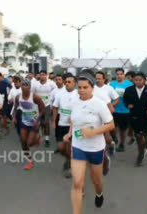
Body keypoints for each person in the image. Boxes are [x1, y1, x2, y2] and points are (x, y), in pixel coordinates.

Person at [64, 74, 114, 214]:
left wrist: (94, 131)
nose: (82, 90)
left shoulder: (99, 104)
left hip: (96, 148)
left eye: (85, 87)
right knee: (77, 182)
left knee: (96, 180)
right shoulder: (73, 102)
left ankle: (99, 194)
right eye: (79, 87)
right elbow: (73, 120)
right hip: (78, 147)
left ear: (92, 88)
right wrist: (69, 133)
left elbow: (110, 125)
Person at [123, 72, 147, 166]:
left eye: (140, 80)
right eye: (136, 80)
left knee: (145, 133)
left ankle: (146, 146)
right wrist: (128, 105)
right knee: (138, 136)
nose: (138, 82)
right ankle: (140, 154)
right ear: (133, 81)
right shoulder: (129, 90)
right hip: (134, 116)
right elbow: (125, 99)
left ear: (144, 80)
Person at [13, 80, 45, 170]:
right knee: (23, 142)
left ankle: (38, 138)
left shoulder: (35, 97)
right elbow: (15, 107)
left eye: (26, 85)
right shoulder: (18, 97)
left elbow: (43, 109)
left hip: (34, 122)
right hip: (24, 121)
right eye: (23, 85)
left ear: (30, 87)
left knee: (29, 143)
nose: (24, 86)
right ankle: (30, 161)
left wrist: (38, 119)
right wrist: (14, 117)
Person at [53, 74, 77, 178]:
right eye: (66, 82)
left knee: (70, 147)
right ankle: (67, 159)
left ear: (75, 84)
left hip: (73, 126)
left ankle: (71, 165)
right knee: (61, 147)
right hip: (61, 124)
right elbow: (55, 107)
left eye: (69, 82)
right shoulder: (60, 94)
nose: (67, 84)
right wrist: (54, 121)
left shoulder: (78, 94)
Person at [95, 71, 120, 156]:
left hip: (106, 115)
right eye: (96, 78)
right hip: (94, 115)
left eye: (99, 79)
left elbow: (117, 99)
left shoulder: (108, 88)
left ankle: (110, 144)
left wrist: (109, 107)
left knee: (105, 134)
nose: (97, 80)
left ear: (104, 79)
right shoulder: (92, 88)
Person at [110, 68, 133, 152]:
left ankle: (122, 144)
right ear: (116, 75)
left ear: (124, 75)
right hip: (114, 110)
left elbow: (132, 95)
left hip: (125, 111)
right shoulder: (112, 84)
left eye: (121, 74)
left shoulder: (129, 84)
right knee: (112, 128)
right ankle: (114, 138)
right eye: (117, 74)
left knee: (123, 130)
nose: (119, 76)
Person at [31, 70, 56, 147]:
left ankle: (47, 139)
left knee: (46, 122)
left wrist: (53, 104)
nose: (42, 76)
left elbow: (55, 93)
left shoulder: (51, 84)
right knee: (39, 122)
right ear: (39, 76)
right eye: (41, 75)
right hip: (38, 106)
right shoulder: (35, 84)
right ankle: (39, 135)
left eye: (44, 75)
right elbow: (32, 94)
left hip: (47, 105)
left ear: (47, 75)